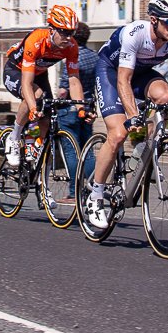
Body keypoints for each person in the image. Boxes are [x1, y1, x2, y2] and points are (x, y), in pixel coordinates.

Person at [85, 0, 168, 230]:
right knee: (117, 134)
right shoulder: (135, 34)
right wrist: (132, 116)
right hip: (112, 72)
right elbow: (123, 81)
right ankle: (95, 196)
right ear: (154, 19)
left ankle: (142, 153)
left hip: (142, 72)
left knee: (165, 96)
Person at [2, 5, 89, 169]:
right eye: (63, 31)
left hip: (40, 73)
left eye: (71, 33)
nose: (67, 37)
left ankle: (37, 150)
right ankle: (14, 137)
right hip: (16, 70)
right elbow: (27, 83)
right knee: (35, 96)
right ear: (51, 30)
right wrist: (34, 108)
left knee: (48, 117)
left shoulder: (71, 46)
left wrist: (81, 108)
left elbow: (74, 80)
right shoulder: (36, 40)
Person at [55, 22, 98, 204]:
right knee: (88, 151)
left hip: (69, 109)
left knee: (72, 152)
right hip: (87, 107)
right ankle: (91, 189)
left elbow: (65, 89)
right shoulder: (95, 58)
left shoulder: (72, 57)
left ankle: (74, 192)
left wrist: (57, 95)